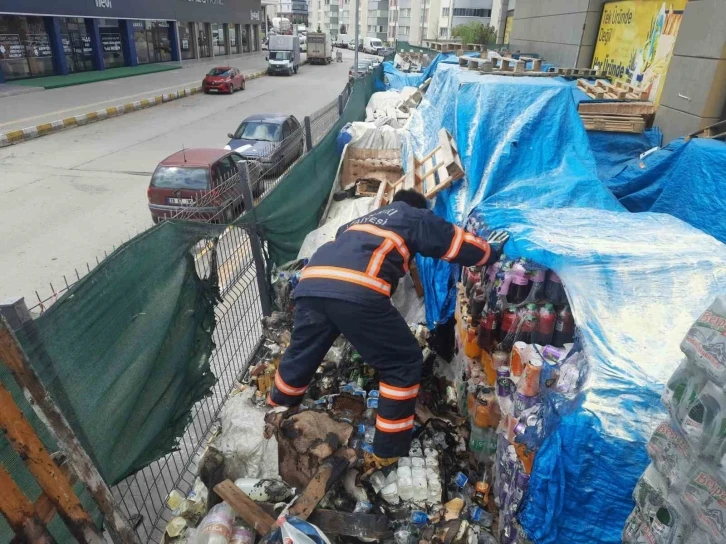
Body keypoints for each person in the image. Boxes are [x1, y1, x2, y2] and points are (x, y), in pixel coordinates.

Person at [268, 190, 509, 471]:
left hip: (311, 284)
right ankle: (387, 451)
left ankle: (276, 411)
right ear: (417, 206)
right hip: (357, 286)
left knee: (301, 355)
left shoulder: (358, 221)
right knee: (402, 362)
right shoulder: (412, 215)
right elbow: (451, 242)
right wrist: (489, 252)